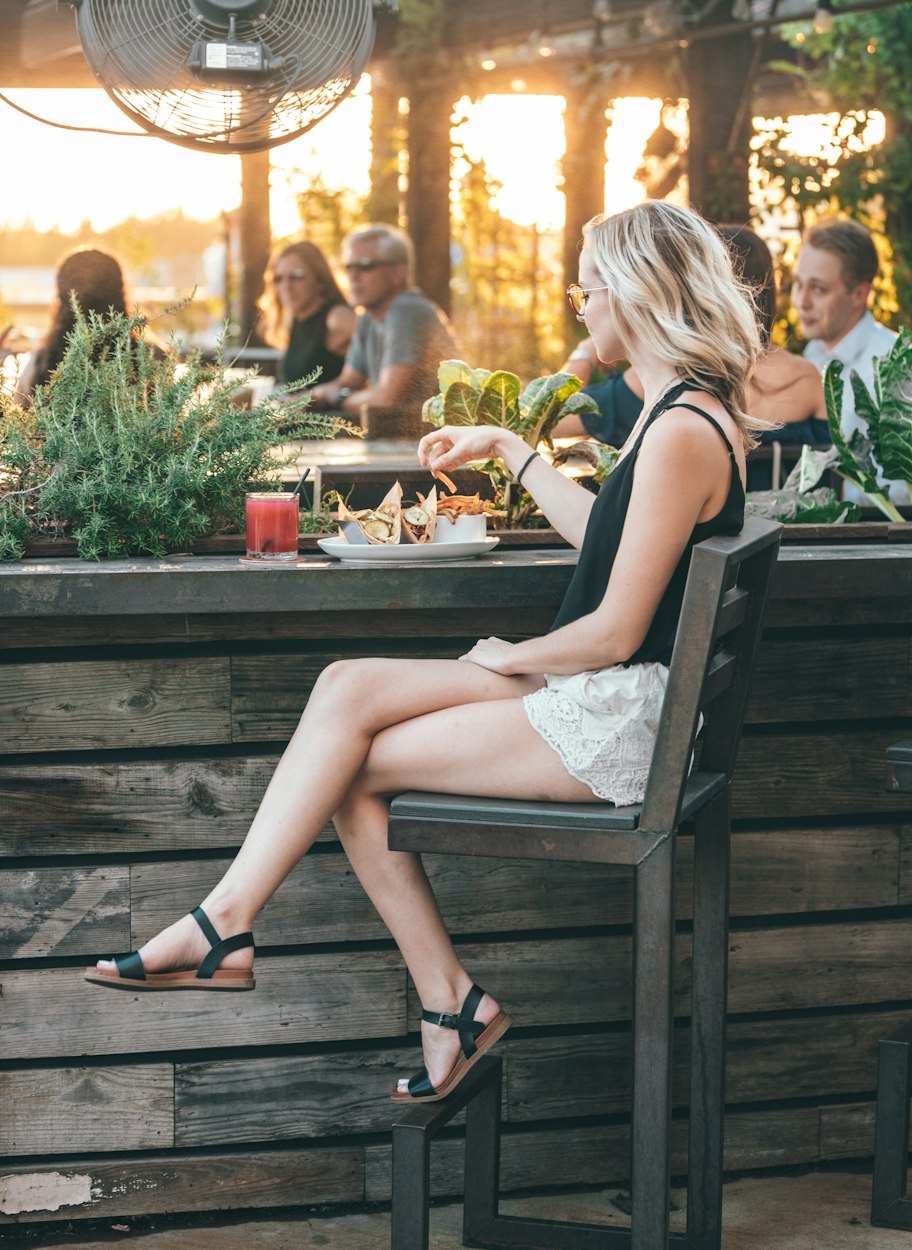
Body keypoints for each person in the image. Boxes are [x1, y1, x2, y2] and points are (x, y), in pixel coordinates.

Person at [84, 200, 767, 1106]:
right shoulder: (674, 412)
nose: (579, 306)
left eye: (587, 288)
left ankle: (341, 963)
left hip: (618, 711)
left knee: (354, 767)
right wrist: (512, 448)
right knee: (345, 690)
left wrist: (509, 660)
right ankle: (260, 935)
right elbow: (606, 538)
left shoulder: (680, 431)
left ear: (636, 295)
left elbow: (614, 628)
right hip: (605, 686)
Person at [554, 223, 826, 478]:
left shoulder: (665, 377)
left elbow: (552, 417)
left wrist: (585, 354)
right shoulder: (807, 378)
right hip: (795, 527)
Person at [790, 215, 899, 501]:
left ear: (860, 294)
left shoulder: (895, 364)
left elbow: (906, 487)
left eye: (818, 288)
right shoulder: (809, 359)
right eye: (798, 283)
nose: (801, 301)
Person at [308, 224, 458, 415]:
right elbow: (347, 381)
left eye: (364, 266)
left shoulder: (407, 309)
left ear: (398, 272)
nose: (352, 276)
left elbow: (387, 399)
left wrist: (339, 398)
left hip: (435, 438)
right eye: (348, 267)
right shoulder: (367, 317)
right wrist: (303, 398)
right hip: (400, 439)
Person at [7, 246, 167, 406]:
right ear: (120, 296)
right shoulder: (154, 359)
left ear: (63, 300)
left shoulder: (38, 365)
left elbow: (21, 423)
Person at [257, 240, 355, 392]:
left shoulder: (336, 318)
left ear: (320, 280)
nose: (286, 286)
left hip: (334, 415)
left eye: (297, 276)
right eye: (278, 279)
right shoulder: (297, 319)